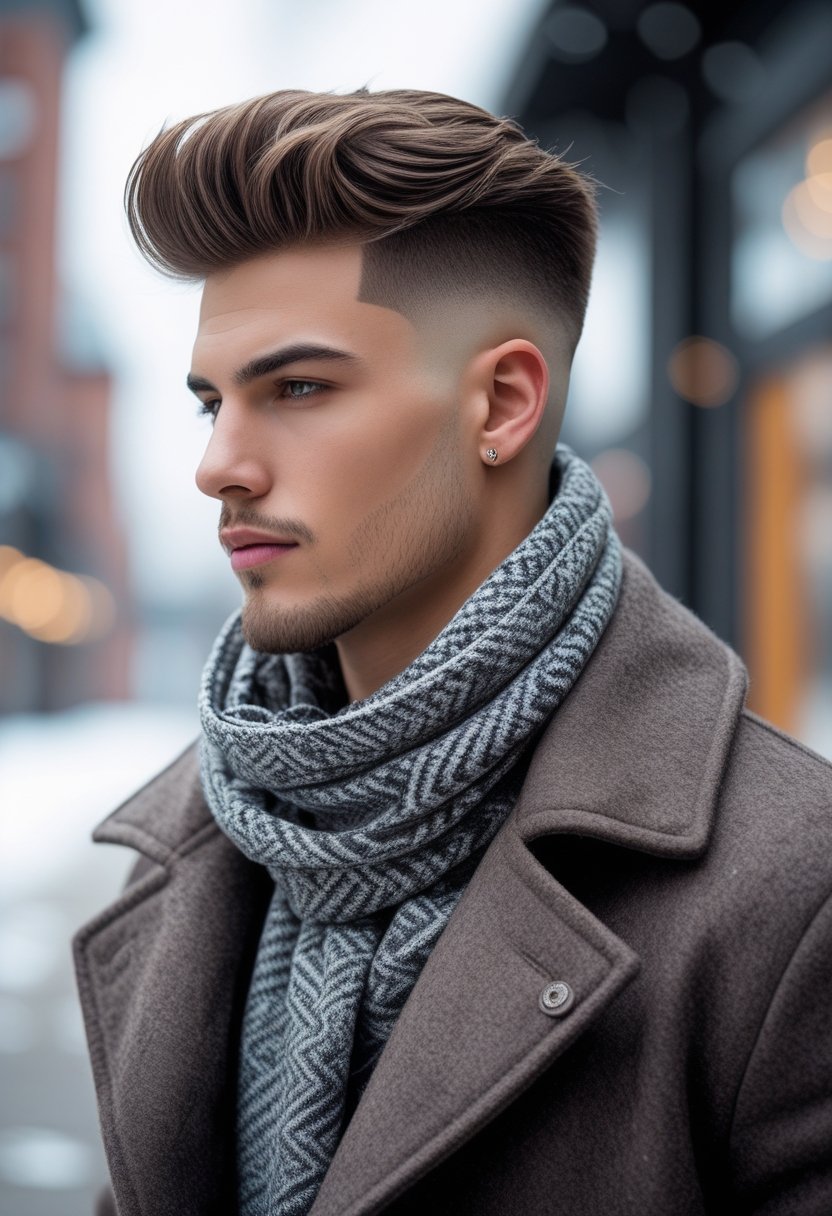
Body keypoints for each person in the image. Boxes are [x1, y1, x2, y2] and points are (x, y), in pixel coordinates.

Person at [72, 86, 832, 1216]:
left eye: (297, 387)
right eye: (209, 404)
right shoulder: (197, 838)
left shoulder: (790, 895)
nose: (219, 465)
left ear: (502, 403)